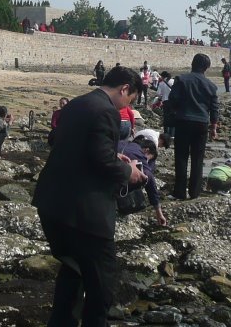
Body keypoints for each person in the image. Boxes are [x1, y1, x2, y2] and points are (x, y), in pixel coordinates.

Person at [32, 66, 146, 327]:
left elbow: (63, 141)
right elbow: (103, 162)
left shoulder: (77, 103)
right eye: (130, 100)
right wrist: (128, 171)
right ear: (124, 89)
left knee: (73, 270)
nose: (126, 106)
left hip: (52, 202)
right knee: (101, 281)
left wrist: (112, 155)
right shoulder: (107, 111)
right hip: (84, 212)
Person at [166, 53, 219, 200]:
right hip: (202, 123)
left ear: (192, 64)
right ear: (207, 68)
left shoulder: (181, 79)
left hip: (183, 120)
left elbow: (173, 99)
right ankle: (194, 192)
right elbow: (214, 108)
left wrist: (177, 110)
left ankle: (180, 192)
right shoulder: (211, 86)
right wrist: (213, 127)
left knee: (181, 157)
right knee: (197, 158)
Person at [119, 130, 167, 226]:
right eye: (148, 159)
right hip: (114, 183)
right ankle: (120, 198)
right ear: (147, 150)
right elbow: (150, 180)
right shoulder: (140, 154)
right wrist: (158, 212)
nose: (146, 161)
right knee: (143, 176)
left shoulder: (120, 142)